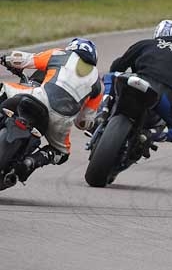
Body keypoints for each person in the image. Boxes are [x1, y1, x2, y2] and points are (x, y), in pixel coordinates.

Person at [0, 38, 102, 185]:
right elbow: (84, 123)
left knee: (3, 88)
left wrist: (6, 59)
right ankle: (32, 161)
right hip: (61, 121)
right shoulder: (97, 83)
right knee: (62, 153)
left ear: (71, 48)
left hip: (40, 97)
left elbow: (22, 59)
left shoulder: (59, 54)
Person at [100, 20, 172, 143]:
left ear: (157, 32)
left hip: (139, 81)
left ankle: (103, 110)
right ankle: (151, 134)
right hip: (165, 97)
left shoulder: (146, 44)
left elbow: (118, 66)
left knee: (110, 76)